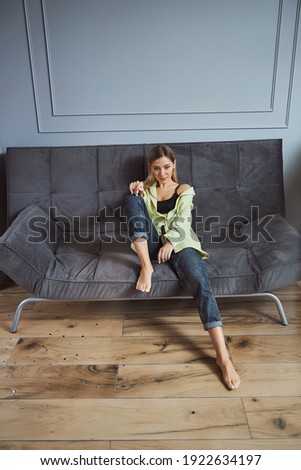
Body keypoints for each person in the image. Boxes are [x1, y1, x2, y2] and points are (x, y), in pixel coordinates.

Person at [124, 144, 240, 390]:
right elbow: (140, 216)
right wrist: (137, 190)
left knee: (200, 282)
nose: (162, 173)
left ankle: (223, 357)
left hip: (181, 242)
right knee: (130, 199)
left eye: (166, 167)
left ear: (174, 165)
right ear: (151, 169)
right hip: (151, 246)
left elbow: (184, 221)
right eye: (156, 169)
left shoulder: (184, 190)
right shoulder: (147, 190)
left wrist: (171, 243)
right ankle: (147, 267)